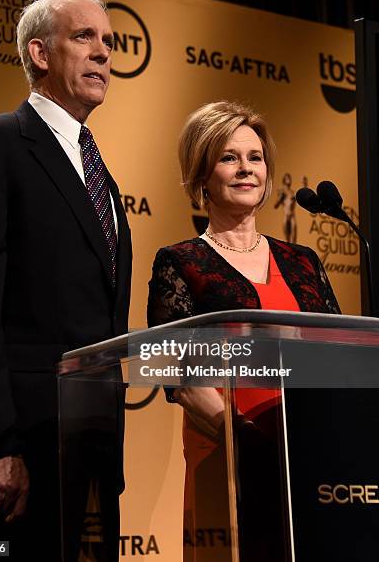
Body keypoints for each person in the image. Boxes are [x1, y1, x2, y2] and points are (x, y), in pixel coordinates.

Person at [0, 0, 132, 561]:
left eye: (108, 40)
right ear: (40, 54)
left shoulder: (102, 176)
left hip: (96, 443)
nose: (103, 52)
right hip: (23, 446)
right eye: (84, 37)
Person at [147, 101, 340, 562]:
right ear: (202, 174)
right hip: (231, 457)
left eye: (254, 158)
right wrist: (249, 442)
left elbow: (338, 355)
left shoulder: (304, 261)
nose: (245, 169)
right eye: (229, 158)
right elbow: (180, 378)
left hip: (312, 460)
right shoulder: (181, 263)